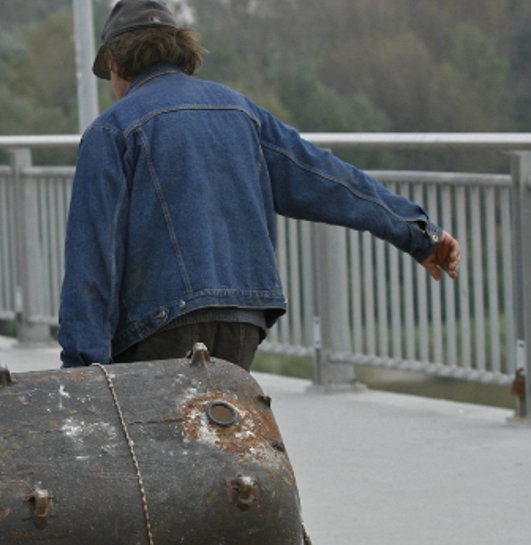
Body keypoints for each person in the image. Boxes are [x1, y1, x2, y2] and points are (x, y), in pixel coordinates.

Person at [58, 0, 462, 370]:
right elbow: (330, 180)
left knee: (157, 447)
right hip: (243, 316)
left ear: (116, 62)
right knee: (222, 440)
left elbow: (92, 258)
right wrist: (420, 233)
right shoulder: (242, 112)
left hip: (157, 324)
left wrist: (81, 370)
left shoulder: (111, 130)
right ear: (179, 50)